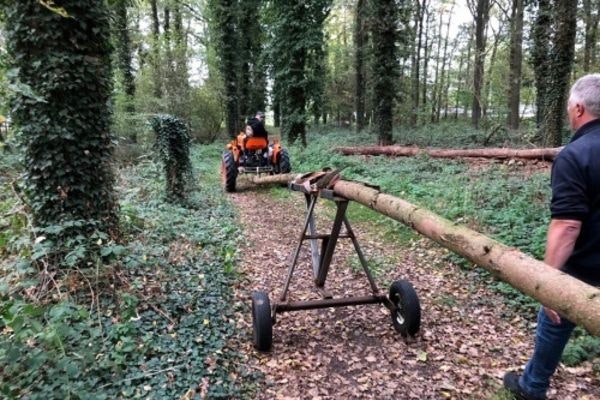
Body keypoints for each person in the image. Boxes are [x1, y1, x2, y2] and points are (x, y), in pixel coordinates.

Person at [503, 74, 600, 399]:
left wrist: (546, 285)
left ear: (578, 108)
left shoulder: (575, 155)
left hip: (583, 270)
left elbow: (567, 226)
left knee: (553, 321)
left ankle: (532, 387)